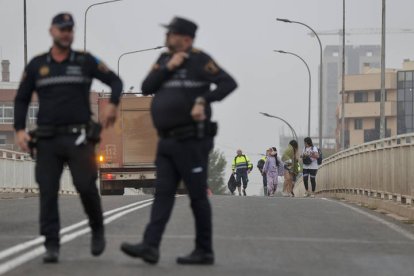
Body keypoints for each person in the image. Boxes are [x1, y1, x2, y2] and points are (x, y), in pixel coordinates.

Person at [120, 17, 237, 265]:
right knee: (163, 194)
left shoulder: (201, 60)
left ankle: (204, 250)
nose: (167, 37)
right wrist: (169, 67)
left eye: (171, 33)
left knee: (197, 196)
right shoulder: (164, 59)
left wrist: (204, 100)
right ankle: (150, 246)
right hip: (166, 142)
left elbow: (228, 83)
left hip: (192, 140)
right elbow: (147, 85)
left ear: (185, 38)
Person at [14, 13, 122, 263]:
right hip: (48, 140)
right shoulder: (37, 65)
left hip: (79, 138)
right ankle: (51, 244)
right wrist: (19, 130)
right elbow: (21, 99)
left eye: (70, 29)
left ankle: (97, 228)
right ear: (52, 31)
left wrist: (113, 104)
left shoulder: (85, 61)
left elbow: (115, 81)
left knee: (85, 186)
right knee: (48, 191)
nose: (66, 33)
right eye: (62, 29)